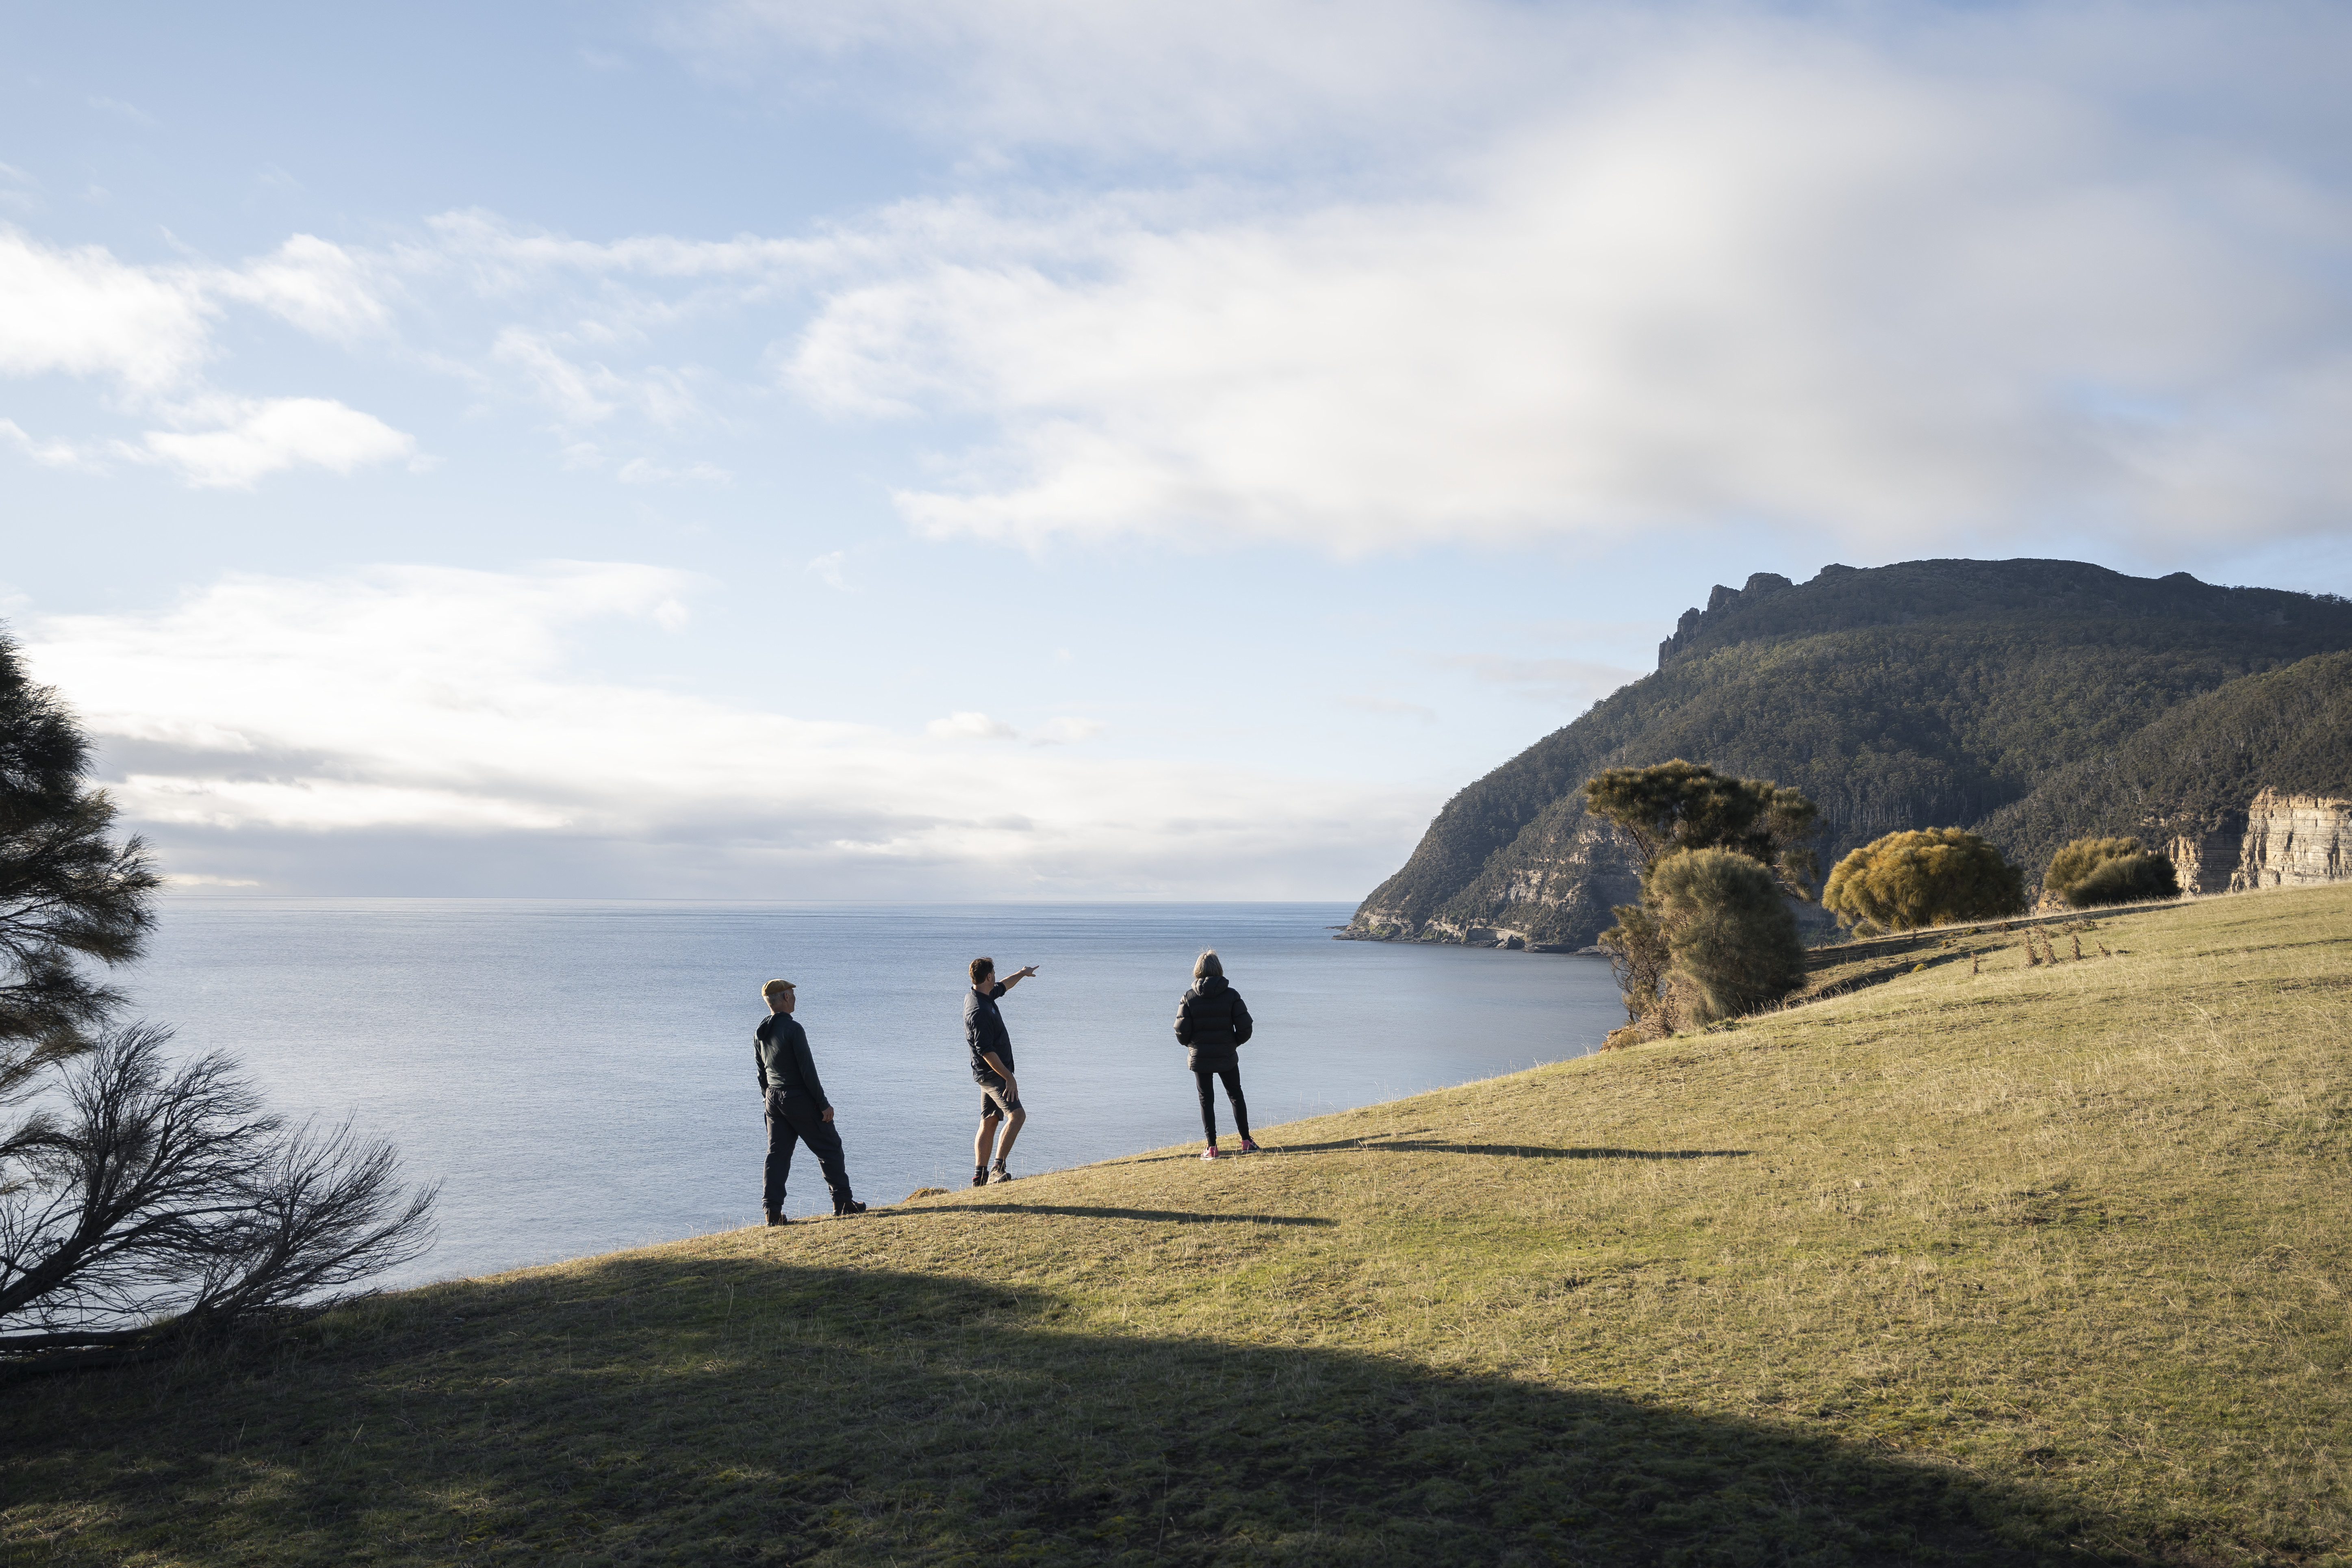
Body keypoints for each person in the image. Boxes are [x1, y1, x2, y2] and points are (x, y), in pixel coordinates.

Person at [755, 978, 864, 1225]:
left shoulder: (761, 1031)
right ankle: (843, 1202)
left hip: (773, 1098)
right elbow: (808, 1071)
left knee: (777, 1154)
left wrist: (769, 1102)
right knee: (830, 1146)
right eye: (791, 993)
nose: (794, 997)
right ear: (784, 998)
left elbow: (761, 1073)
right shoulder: (794, 1030)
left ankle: (772, 1213)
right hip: (797, 1096)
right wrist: (823, 1104)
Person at [1174, 948, 1257, 1159]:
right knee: (1236, 1095)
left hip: (1200, 1057)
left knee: (1206, 1100)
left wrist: (1193, 1046)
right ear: (1218, 969)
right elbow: (1246, 1028)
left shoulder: (1189, 997)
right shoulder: (1231, 995)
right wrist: (1233, 1043)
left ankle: (1212, 1148)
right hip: (1227, 1055)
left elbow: (1181, 1032)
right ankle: (1246, 1142)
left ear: (1197, 970)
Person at [965, 956, 1039, 1186]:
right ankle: (998, 1169)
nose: (996, 977)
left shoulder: (981, 994)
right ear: (988, 976)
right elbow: (986, 1051)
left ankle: (980, 1176)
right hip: (993, 1075)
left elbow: (1004, 985)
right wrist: (1009, 1077)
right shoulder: (980, 1011)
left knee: (990, 1120)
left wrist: (1022, 973)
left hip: (988, 1074)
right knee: (1017, 1116)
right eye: (994, 974)